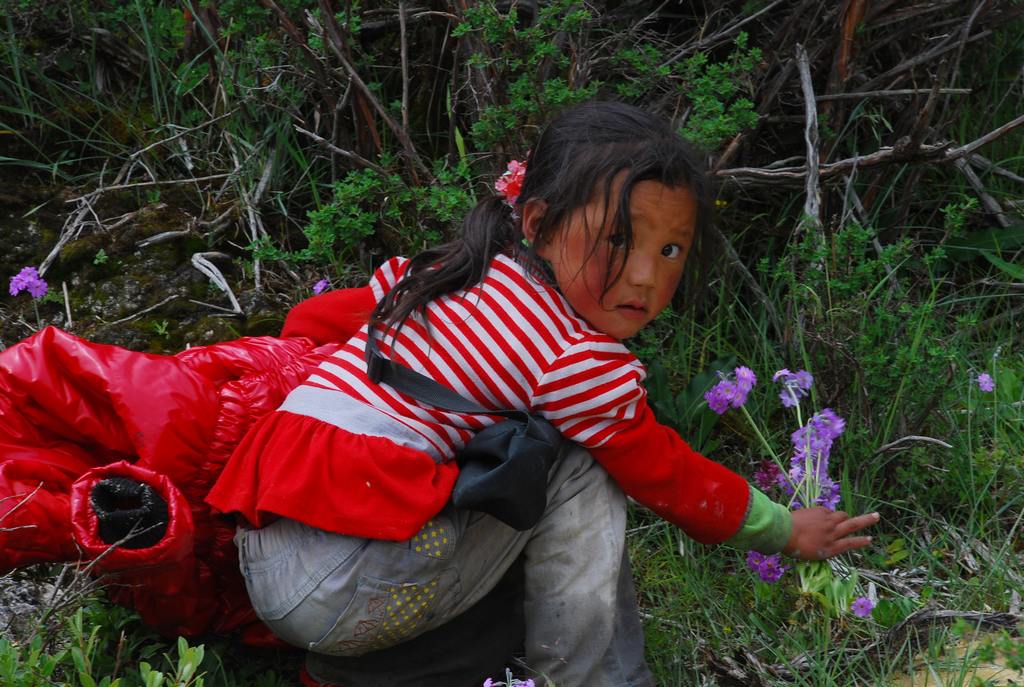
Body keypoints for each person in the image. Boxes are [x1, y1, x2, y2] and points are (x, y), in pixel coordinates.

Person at [205, 100, 879, 687]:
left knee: (501, 453)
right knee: (580, 461)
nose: (645, 277)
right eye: (619, 238)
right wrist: (784, 528)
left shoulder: (446, 270)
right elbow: (668, 477)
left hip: (266, 555)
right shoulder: (576, 359)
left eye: (672, 250)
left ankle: (379, 667)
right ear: (537, 220)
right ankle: (587, 678)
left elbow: (311, 325)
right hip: (350, 586)